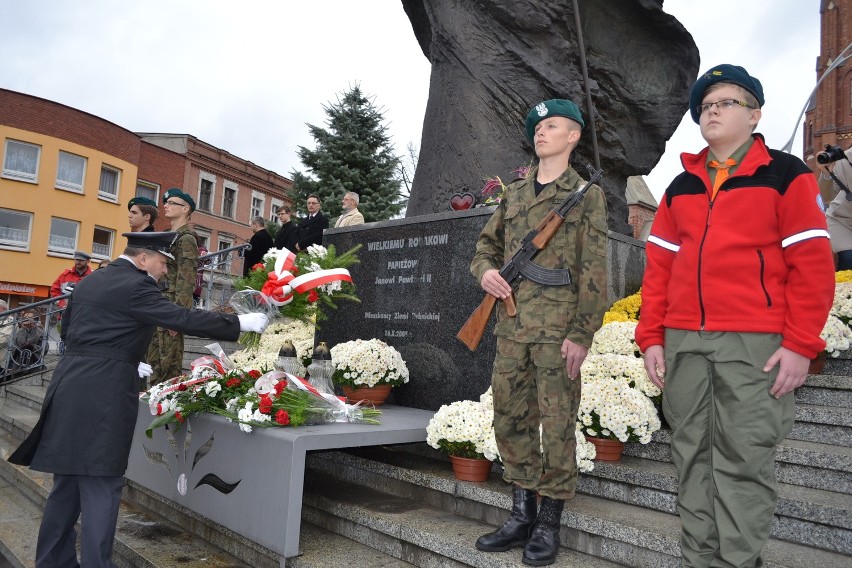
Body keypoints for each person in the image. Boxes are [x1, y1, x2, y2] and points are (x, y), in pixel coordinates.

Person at [635, 64, 835, 568]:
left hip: (755, 344)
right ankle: (699, 560)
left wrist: (799, 344)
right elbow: (658, 269)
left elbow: (812, 267)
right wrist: (651, 336)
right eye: (705, 107)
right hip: (683, 340)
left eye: (725, 103)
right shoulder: (680, 186)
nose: (712, 112)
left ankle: (738, 562)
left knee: (744, 458)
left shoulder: (787, 175)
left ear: (755, 114)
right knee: (690, 457)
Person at [8, 231, 269, 568]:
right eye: (163, 263)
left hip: (69, 383)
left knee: (67, 483)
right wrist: (238, 322)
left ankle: (52, 562)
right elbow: (180, 317)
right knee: (102, 483)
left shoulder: (91, 280)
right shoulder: (136, 284)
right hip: (103, 393)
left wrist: (122, 356)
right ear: (143, 258)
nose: (164, 271)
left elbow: (72, 331)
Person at [470, 99, 608, 566]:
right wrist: (487, 273)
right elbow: (485, 247)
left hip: (557, 332)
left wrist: (582, 333)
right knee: (510, 419)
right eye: (538, 127)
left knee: (558, 424)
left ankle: (549, 521)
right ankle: (521, 512)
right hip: (511, 327)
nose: (541, 132)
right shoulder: (514, 193)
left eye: (552, 126)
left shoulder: (585, 195)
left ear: (574, 136)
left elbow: (593, 268)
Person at [145, 188, 199, 386]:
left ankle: (165, 409)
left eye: (171, 203)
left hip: (170, 308)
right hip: (157, 304)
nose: (165, 205)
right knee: (153, 361)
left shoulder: (186, 239)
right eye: (166, 202)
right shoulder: (167, 236)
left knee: (168, 365)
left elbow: (186, 281)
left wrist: (178, 318)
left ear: (185, 209)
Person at [823, 147, 852, 270]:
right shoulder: (842, 159)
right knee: (848, 259)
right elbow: (828, 196)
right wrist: (827, 174)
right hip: (843, 219)